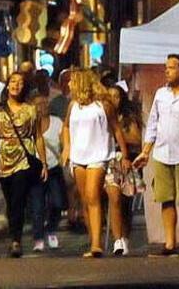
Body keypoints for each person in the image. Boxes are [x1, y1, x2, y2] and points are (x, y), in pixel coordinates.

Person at [134, 54, 179, 257]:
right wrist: (146, 151)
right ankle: (170, 243)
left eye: (171, 67)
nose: (167, 71)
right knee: (166, 198)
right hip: (162, 152)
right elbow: (153, 123)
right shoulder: (160, 94)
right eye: (166, 67)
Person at [0, 72, 48, 257]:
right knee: (10, 200)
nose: (16, 85)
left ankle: (16, 240)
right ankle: (14, 233)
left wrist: (44, 162)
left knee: (18, 200)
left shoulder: (31, 110)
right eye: (13, 82)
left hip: (24, 158)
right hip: (4, 159)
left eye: (20, 82)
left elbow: (37, 136)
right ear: (8, 86)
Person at [61, 69, 130, 258]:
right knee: (84, 199)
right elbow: (66, 127)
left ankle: (97, 244)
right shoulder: (73, 105)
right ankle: (93, 238)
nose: (69, 85)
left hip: (98, 155)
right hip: (78, 156)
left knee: (93, 196)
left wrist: (124, 154)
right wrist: (67, 147)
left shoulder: (103, 105)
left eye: (72, 81)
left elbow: (116, 129)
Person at [105, 83, 143, 256]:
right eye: (110, 96)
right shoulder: (102, 116)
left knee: (126, 202)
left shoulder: (128, 117)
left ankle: (125, 236)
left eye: (116, 96)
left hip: (127, 160)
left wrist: (118, 132)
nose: (113, 100)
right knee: (114, 199)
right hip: (109, 161)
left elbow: (136, 139)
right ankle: (117, 239)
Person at [28, 92, 67, 252]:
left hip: (53, 167)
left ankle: (51, 228)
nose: (42, 107)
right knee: (37, 205)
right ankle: (38, 238)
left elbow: (65, 142)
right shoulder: (28, 123)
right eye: (38, 104)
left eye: (44, 103)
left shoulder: (57, 122)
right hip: (35, 169)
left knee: (58, 202)